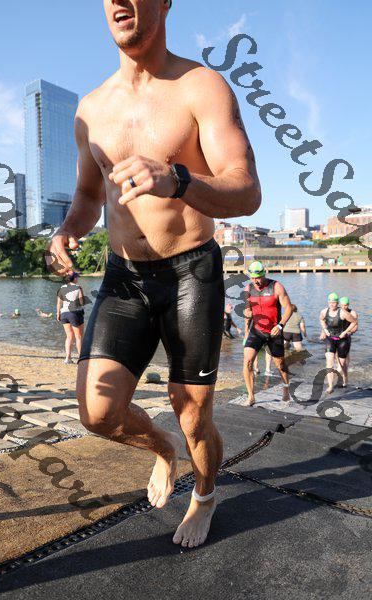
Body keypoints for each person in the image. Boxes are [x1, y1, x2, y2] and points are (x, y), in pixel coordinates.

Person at [46, 0, 261, 548]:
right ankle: (164, 451)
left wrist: (179, 179)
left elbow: (246, 190)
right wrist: (66, 230)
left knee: (194, 415)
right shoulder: (91, 108)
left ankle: (205, 496)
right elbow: (88, 196)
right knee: (98, 413)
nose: (118, 1)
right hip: (124, 276)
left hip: (192, 270)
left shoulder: (200, 87)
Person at [243, 261, 293, 406]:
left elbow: (289, 308)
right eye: (252, 278)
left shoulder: (276, 287)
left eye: (257, 278)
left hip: (274, 332)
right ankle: (251, 397)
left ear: (264, 274)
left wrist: (280, 325)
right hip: (256, 331)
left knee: (280, 365)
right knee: (247, 362)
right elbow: (248, 310)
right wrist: (246, 329)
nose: (255, 281)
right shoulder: (249, 288)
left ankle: (286, 390)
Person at [319, 292, 357, 392]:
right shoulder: (324, 311)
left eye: (334, 302)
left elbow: (354, 322)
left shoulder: (343, 313)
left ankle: (345, 378)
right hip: (330, 339)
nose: (332, 304)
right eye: (330, 302)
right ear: (328, 302)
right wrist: (325, 330)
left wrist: (345, 332)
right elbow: (322, 320)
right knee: (329, 362)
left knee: (342, 364)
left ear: (337, 303)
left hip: (342, 340)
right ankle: (330, 386)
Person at [57, 272, 85, 364]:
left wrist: (58, 313)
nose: (78, 279)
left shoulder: (62, 288)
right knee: (79, 337)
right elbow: (82, 302)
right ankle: (81, 358)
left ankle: (68, 358)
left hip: (64, 314)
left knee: (69, 336)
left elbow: (59, 303)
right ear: (74, 278)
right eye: (77, 277)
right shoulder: (78, 287)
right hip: (75, 313)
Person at [335, 296, 358, 384]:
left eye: (346, 305)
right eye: (342, 305)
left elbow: (355, 327)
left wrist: (349, 332)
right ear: (340, 304)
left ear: (348, 304)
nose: (344, 307)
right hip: (337, 335)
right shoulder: (337, 311)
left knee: (346, 353)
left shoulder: (353, 313)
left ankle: (345, 368)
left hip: (347, 336)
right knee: (336, 352)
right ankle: (339, 366)